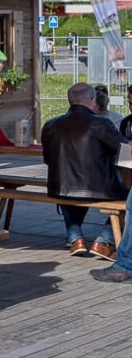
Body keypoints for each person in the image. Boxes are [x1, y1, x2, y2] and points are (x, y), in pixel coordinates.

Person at [41, 83, 123, 261]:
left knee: (68, 187)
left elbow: (48, 159)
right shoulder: (102, 124)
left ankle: (75, 237)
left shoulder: (50, 125)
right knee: (128, 196)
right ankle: (105, 241)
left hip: (58, 188)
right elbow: (123, 152)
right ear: (93, 100)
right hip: (99, 190)